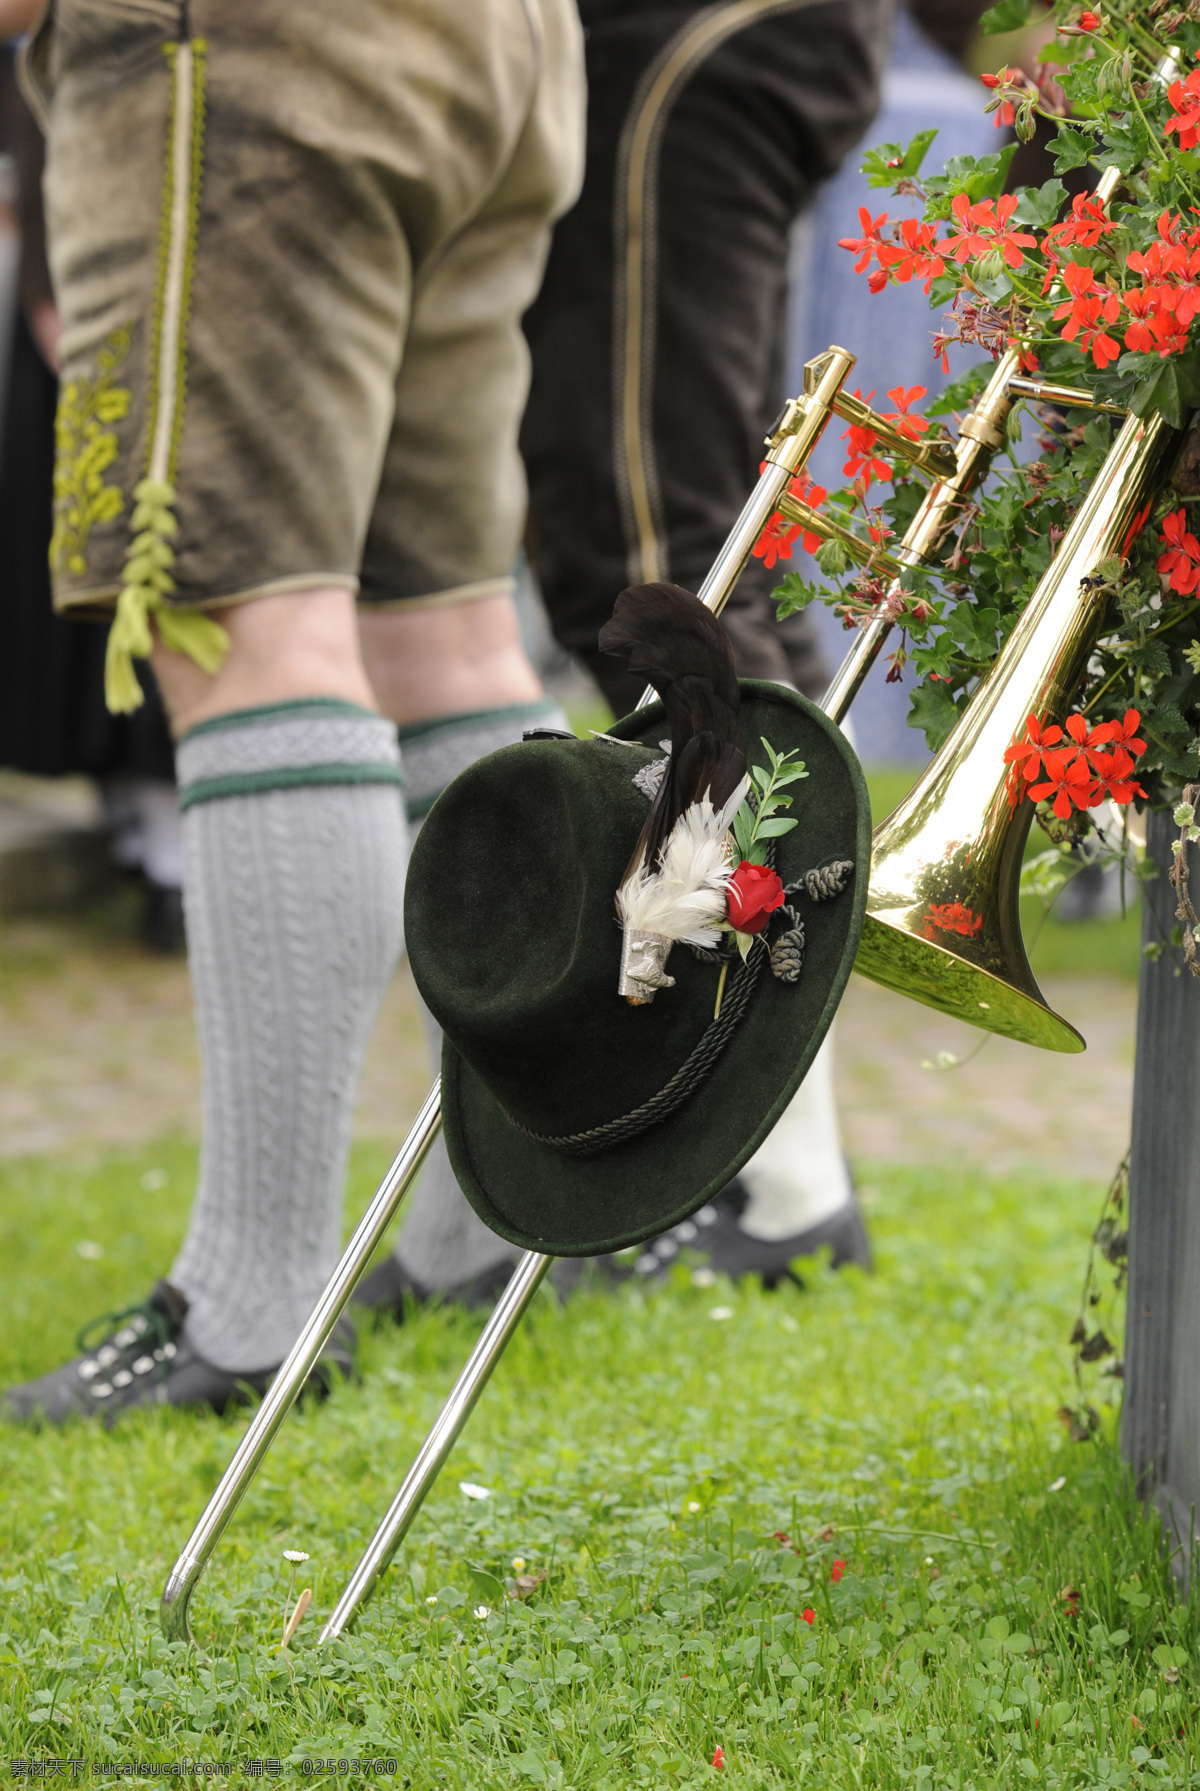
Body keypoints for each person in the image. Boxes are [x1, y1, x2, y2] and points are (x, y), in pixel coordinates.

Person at [4, 0, 585, 1421]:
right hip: (499, 45)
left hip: (239, 45)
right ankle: (478, 1234)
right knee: (442, 635)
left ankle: (254, 1303)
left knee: (245, 625)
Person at [514, 0, 894, 1284]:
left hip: (678, 34)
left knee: (656, 577)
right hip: (697, 38)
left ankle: (773, 1181)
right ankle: (783, 1175)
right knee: (693, 554)